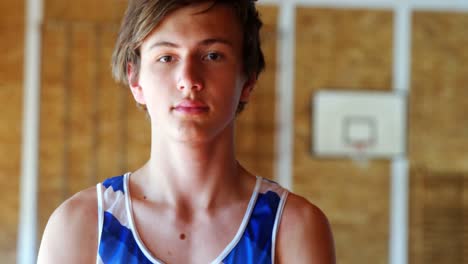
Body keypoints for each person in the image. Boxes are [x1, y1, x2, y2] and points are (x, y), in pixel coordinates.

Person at [37, 0, 335, 263]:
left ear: (248, 79)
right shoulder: (81, 225)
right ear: (135, 79)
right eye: (167, 57)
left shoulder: (294, 227)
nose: (189, 79)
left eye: (212, 55)